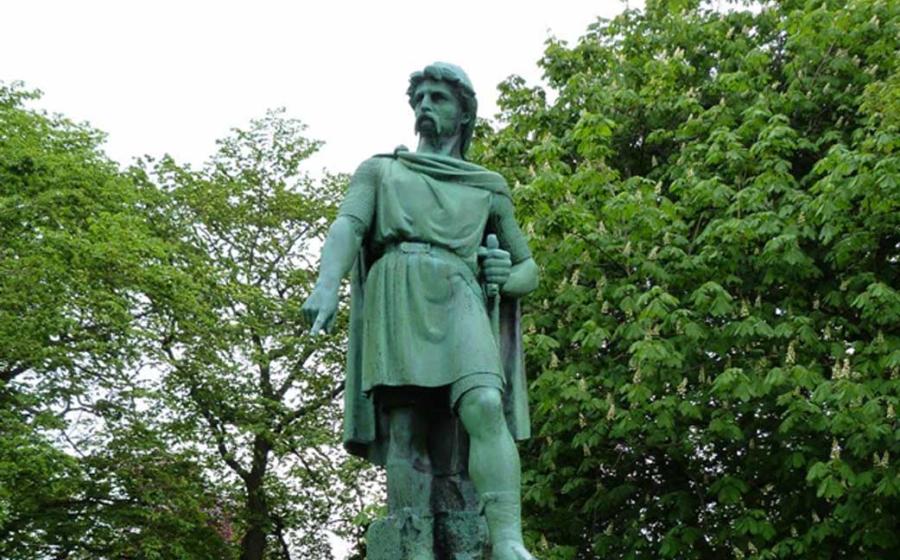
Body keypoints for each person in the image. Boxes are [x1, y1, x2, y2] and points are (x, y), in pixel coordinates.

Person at [302, 62, 539, 560]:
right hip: (399, 286)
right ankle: (413, 545)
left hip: (459, 292)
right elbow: (347, 225)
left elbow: (528, 269)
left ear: (464, 113)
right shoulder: (381, 169)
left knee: (485, 405)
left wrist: (504, 274)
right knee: (405, 427)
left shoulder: (487, 185)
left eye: (439, 98)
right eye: (420, 98)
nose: (425, 106)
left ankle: (509, 540)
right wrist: (327, 285)